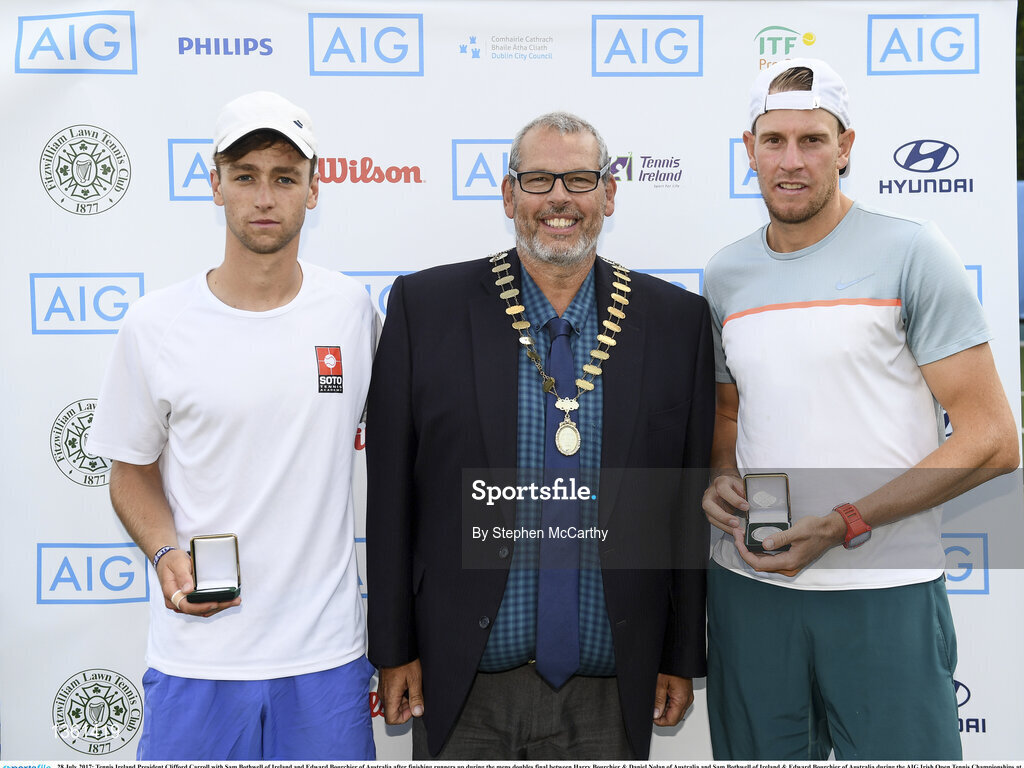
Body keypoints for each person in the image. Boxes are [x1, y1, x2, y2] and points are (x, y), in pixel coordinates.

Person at [365, 111, 714, 759]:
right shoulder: (426, 309)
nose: (559, 198)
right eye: (537, 180)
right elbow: (389, 499)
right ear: (508, 195)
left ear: (609, 194)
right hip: (459, 679)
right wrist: (393, 648)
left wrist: (680, 654)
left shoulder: (676, 322)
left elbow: (685, 509)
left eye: (581, 180)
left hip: (612, 685)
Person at [701, 58, 1019, 760]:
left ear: (845, 148)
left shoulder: (912, 250)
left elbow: (994, 439)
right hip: (752, 590)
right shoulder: (725, 273)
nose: (792, 161)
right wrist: (723, 476)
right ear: (747, 150)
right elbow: (731, 415)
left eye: (813, 140)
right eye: (774, 140)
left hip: (886, 586)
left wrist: (844, 524)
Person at [88, 91, 378, 760]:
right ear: (214, 184)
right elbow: (129, 473)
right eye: (244, 176)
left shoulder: (350, 311)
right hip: (198, 658)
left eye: (284, 177)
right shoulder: (154, 324)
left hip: (326, 658)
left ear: (314, 187)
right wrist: (166, 555)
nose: (264, 197)